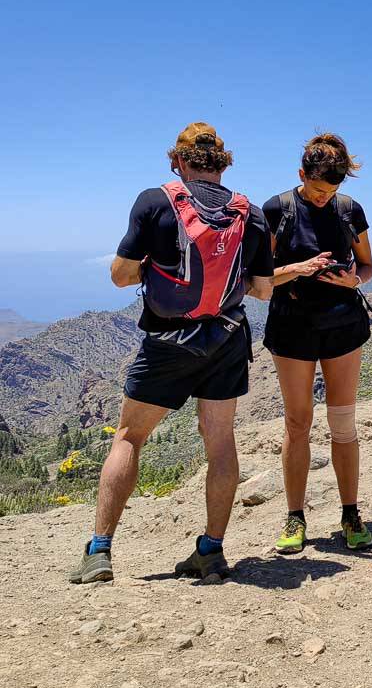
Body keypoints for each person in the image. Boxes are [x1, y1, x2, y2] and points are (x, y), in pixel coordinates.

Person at [70, 123, 274, 585]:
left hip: (167, 341)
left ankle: (100, 550)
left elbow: (121, 276)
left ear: (177, 161)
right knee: (220, 442)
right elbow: (262, 288)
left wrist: (157, 272)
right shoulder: (252, 214)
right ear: (223, 163)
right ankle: (212, 551)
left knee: (128, 437)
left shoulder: (154, 201)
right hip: (225, 339)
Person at [262, 133, 372, 554]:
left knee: (343, 424)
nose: (325, 197)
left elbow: (366, 266)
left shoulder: (349, 211)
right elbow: (259, 280)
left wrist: (353, 280)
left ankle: (350, 512)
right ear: (300, 176)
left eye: (332, 191)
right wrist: (298, 268)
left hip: (343, 326)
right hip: (292, 327)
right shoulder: (277, 209)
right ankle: (295, 517)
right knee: (297, 424)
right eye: (317, 189)